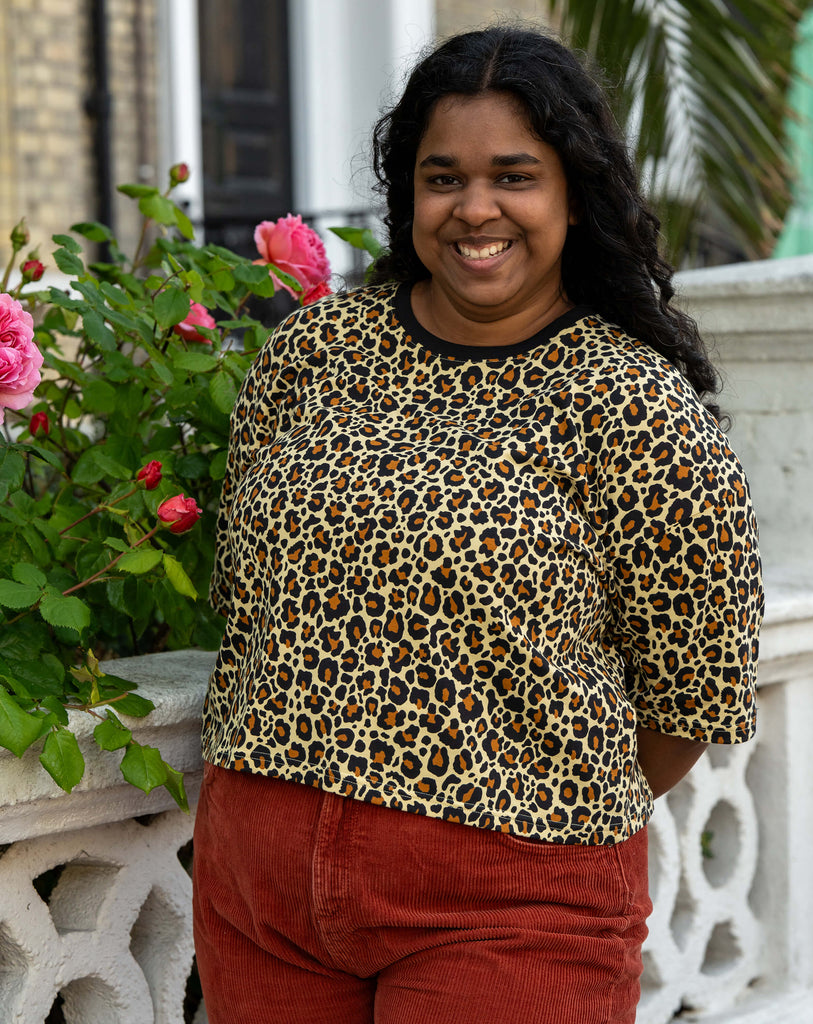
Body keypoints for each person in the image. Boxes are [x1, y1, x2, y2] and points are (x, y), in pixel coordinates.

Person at [192, 24, 763, 1024]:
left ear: (573, 194)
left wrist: (528, 799)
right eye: (443, 176)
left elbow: (695, 687)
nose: (476, 208)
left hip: (512, 899)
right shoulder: (315, 352)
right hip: (262, 884)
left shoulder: (627, 403)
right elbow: (246, 596)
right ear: (410, 193)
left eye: (514, 175)